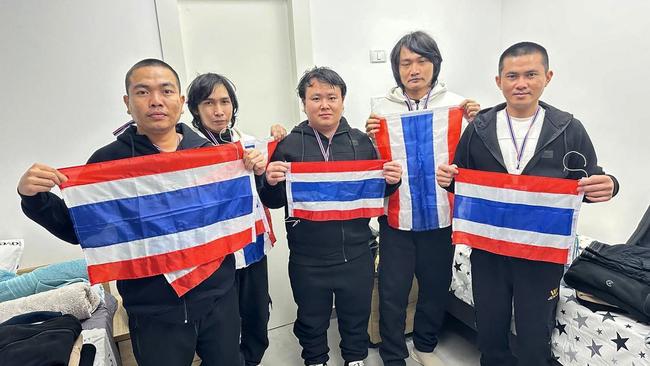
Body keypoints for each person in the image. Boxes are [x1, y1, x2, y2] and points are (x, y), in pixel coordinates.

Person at [17, 59, 263, 366]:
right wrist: (35, 199)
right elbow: (83, 232)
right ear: (127, 102)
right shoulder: (109, 163)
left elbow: (239, 215)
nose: (156, 100)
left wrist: (255, 171)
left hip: (219, 300)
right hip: (153, 311)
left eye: (166, 91)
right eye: (143, 92)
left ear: (181, 101)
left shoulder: (212, 156)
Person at [436, 42, 619, 366]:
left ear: (547, 77)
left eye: (531, 74)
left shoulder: (568, 129)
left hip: (540, 254)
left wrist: (610, 186)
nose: (521, 83)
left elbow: (591, 180)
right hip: (489, 253)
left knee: (535, 334)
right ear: (499, 81)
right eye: (512, 75)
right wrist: (446, 177)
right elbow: (459, 177)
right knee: (490, 331)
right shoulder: (478, 129)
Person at [260, 67, 402, 366]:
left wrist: (392, 181)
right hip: (307, 258)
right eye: (315, 97)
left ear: (342, 100)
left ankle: (355, 358)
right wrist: (270, 181)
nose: (324, 104)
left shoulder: (364, 143)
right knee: (311, 319)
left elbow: (377, 194)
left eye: (331, 97)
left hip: (357, 252)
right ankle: (315, 360)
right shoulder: (289, 145)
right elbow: (273, 202)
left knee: (355, 314)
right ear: (303, 102)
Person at [364, 31, 480, 366]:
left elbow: (475, 157)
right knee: (392, 290)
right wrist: (370, 135)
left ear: (435, 64)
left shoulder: (457, 106)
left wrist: (477, 121)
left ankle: (425, 345)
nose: (414, 69)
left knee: (435, 286)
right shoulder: (380, 110)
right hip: (396, 217)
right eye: (406, 62)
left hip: (442, 216)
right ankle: (393, 353)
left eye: (421, 61)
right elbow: (372, 163)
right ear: (396, 69)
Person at [186, 72, 286, 366]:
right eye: (209, 103)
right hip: (214, 256)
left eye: (225, 102)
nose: (219, 111)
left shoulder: (248, 142)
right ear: (194, 108)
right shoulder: (187, 150)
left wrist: (269, 156)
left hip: (251, 247)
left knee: (257, 319)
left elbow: (270, 192)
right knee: (222, 333)